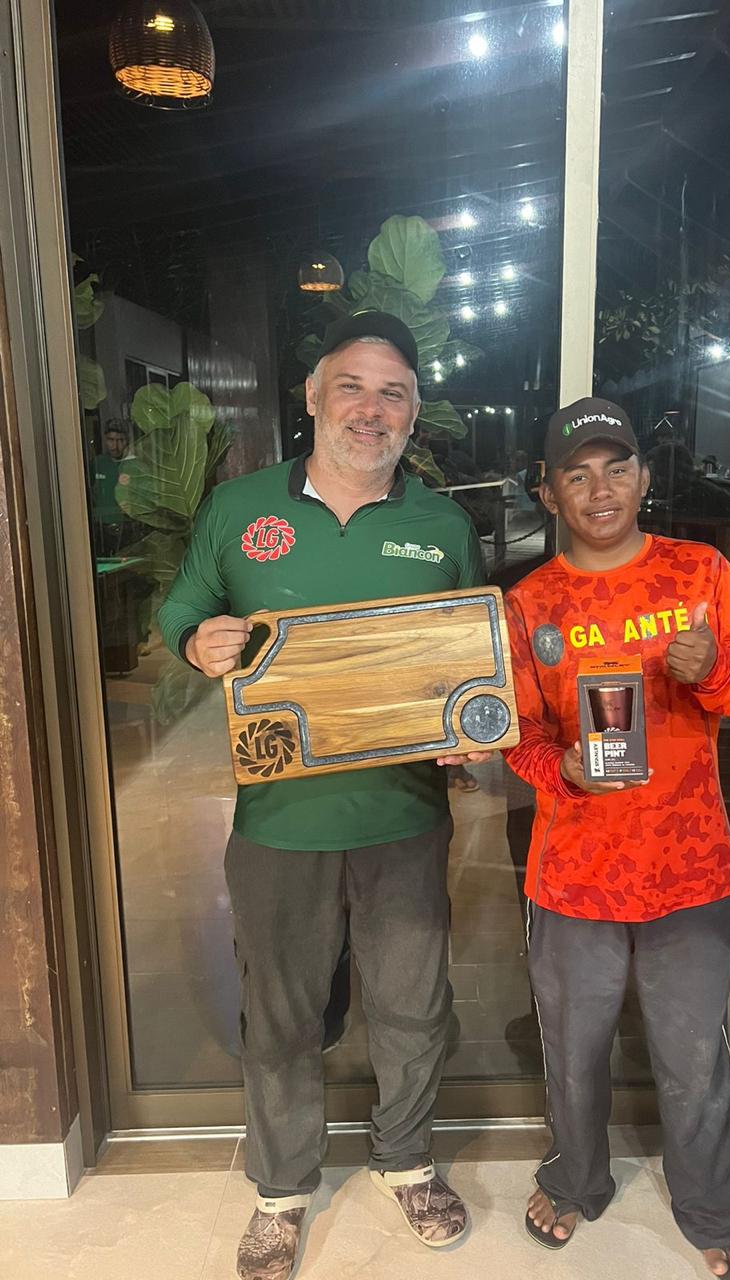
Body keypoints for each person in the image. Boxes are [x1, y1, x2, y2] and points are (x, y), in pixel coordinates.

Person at [158, 312, 489, 1280]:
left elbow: (469, 655)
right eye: (352, 386)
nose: (370, 409)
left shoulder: (442, 526)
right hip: (279, 821)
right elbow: (183, 604)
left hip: (404, 820)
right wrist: (198, 640)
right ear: (312, 395)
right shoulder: (240, 509)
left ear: (414, 413)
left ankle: (407, 1160)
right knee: (281, 1016)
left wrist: (468, 728)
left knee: (413, 1005)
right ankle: (281, 1189)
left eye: (393, 394)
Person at [503, 397, 730, 1278]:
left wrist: (717, 668)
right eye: (578, 475)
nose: (600, 490)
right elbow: (516, 733)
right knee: (573, 1052)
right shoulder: (530, 603)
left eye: (617, 469)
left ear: (645, 478)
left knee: (694, 1057)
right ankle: (575, 1178)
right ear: (549, 493)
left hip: (691, 869)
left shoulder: (699, 574)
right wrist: (562, 770)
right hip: (573, 872)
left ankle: (713, 1209)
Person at [91, 420, 129, 555]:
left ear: (127, 440)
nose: (115, 446)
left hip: (127, 528)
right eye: (111, 440)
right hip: (101, 530)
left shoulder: (134, 465)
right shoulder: (97, 463)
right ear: (105, 440)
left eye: (120, 440)